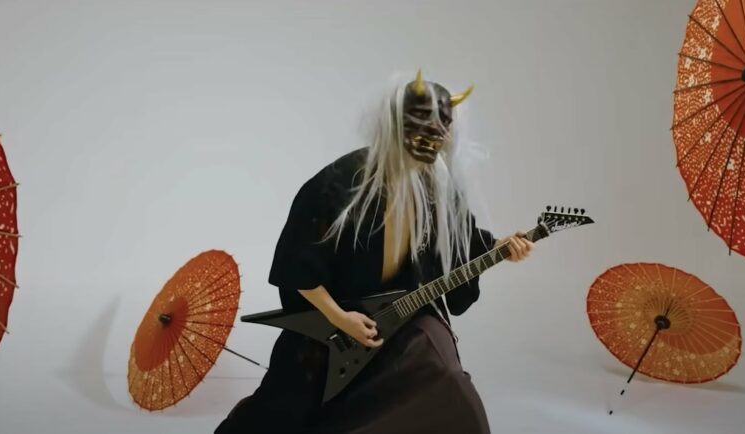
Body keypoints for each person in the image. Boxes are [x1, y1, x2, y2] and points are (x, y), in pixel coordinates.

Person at [215, 71, 534, 434]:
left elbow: (462, 239)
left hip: (406, 314)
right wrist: (341, 318)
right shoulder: (340, 182)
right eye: (420, 127)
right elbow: (298, 265)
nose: (430, 142)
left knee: (447, 378)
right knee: (288, 407)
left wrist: (500, 247)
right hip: (338, 321)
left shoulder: (438, 185)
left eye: (440, 131)